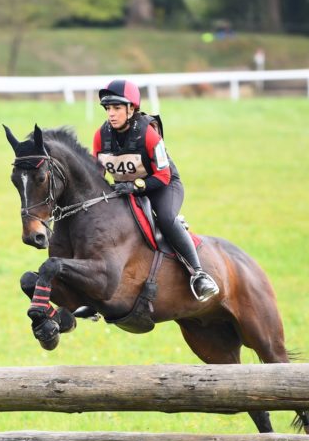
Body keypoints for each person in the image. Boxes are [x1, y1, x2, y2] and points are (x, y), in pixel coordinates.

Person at [93, 79, 219, 301]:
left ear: (131, 108)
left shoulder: (148, 133)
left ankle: (199, 274)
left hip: (163, 186)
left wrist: (133, 186)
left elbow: (163, 175)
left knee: (167, 217)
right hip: (125, 189)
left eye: (117, 108)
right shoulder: (100, 136)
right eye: (108, 108)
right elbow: (97, 174)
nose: (111, 114)